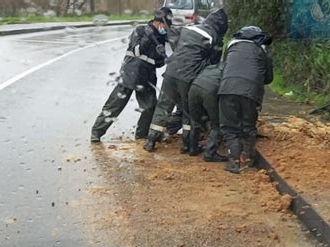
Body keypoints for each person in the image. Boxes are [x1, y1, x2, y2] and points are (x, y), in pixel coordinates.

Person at [143, 8, 228, 153]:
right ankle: (188, 144)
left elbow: (175, 42)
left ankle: (151, 141)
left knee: (163, 107)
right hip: (188, 77)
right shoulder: (214, 38)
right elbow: (212, 65)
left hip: (170, 73)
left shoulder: (189, 29)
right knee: (187, 112)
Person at [90, 8, 173, 142]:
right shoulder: (140, 30)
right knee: (115, 104)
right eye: (165, 25)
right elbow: (136, 50)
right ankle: (96, 132)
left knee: (150, 107)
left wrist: (163, 57)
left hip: (147, 77)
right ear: (158, 22)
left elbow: (157, 63)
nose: (166, 28)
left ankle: (142, 134)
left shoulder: (161, 38)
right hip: (130, 73)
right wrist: (148, 37)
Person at [218, 26, 273, 174]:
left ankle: (234, 163)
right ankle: (249, 160)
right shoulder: (262, 50)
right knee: (248, 126)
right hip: (251, 92)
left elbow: (223, 68)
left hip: (227, 88)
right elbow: (268, 78)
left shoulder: (231, 45)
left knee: (230, 127)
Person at [188, 63, 227, 162]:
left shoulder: (212, 66)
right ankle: (210, 153)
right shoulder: (229, 72)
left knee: (195, 119)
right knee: (217, 125)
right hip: (209, 91)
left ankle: (192, 148)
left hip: (194, 87)